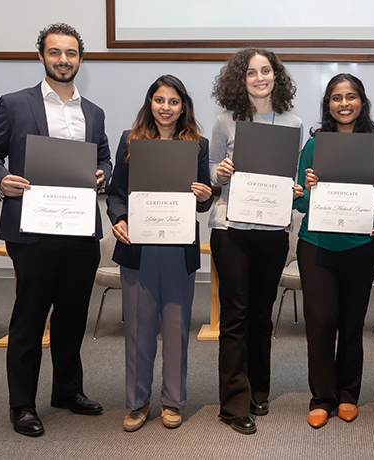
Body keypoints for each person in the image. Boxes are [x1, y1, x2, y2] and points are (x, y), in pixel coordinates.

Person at [0, 23, 111, 437]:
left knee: (72, 317)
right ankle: (22, 405)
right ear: (42, 57)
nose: (63, 60)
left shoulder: (94, 112)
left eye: (71, 53)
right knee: (29, 319)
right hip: (32, 231)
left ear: (80, 60)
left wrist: (105, 171)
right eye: (55, 53)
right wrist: (0, 179)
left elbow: (104, 157)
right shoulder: (15, 104)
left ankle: (68, 391)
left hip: (79, 230)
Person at [106, 75, 213, 432]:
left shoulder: (198, 144)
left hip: (178, 249)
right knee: (138, 329)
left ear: (183, 106)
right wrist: (118, 218)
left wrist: (205, 195)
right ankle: (137, 403)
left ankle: (172, 401)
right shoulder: (130, 141)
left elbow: (203, 202)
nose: (165, 107)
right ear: (149, 102)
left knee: (176, 328)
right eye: (159, 100)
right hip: (138, 247)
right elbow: (116, 192)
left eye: (173, 101)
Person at [294, 73, 374, 429]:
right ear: (328, 105)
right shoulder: (313, 146)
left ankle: (349, 394)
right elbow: (303, 203)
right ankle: (322, 397)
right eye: (336, 98)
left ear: (361, 102)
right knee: (321, 323)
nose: (344, 103)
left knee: (352, 325)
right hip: (317, 246)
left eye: (351, 96)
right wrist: (307, 189)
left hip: (361, 247)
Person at [208, 48, 303, 435]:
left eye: (266, 71)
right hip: (231, 230)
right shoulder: (223, 121)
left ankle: (258, 390)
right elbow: (212, 175)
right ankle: (232, 404)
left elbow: (293, 176)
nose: (260, 77)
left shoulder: (293, 122)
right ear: (240, 79)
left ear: (276, 77)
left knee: (262, 315)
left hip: (273, 231)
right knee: (236, 316)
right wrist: (222, 170)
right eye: (251, 72)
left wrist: (296, 189)